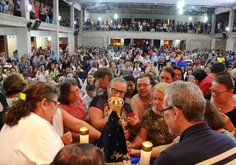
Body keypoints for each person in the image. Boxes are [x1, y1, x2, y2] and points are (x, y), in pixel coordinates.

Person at [153, 81, 236, 165]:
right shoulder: (229, 143)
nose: (164, 116)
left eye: (164, 110)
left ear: (175, 113)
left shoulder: (170, 158)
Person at [0, 81, 64, 164]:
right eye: (55, 103)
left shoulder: (14, 119)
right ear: (44, 103)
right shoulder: (39, 126)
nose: (56, 108)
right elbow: (61, 160)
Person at [127, 83, 176, 160]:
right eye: (154, 98)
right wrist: (132, 145)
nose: (156, 102)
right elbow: (141, 136)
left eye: (160, 99)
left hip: (171, 155)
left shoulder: (176, 115)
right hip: (149, 155)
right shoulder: (149, 113)